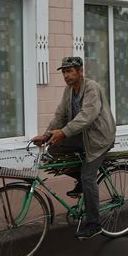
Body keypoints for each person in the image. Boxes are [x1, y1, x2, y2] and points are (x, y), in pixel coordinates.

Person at [32, 56, 116, 239]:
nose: (66, 75)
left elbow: (87, 116)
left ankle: (94, 224)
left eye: (69, 71)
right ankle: (81, 181)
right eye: (64, 72)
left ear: (80, 71)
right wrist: (46, 136)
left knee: (88, 176)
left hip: (99, 139)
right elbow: (60, 115)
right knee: (52, 151)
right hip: (81, 136)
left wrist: (63, 132)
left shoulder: (91, 88)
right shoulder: (69, 90)